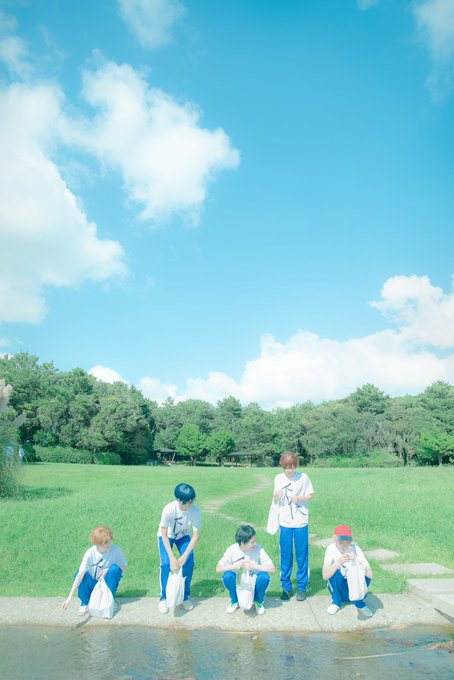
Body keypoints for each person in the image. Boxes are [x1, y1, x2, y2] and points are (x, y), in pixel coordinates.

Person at [272, 451, 314, 601]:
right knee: (285, 555)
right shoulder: (278, 478)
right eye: (287, 467)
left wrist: (300, 498)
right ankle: (286, 588)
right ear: (282, 467)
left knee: (302, 554)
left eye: (292, 467)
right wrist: (276, 495)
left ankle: (302, 588)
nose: (289, 470)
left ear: (296, 466)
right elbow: (275, 495)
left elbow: (310, 495)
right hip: (285, 522)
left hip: (301, 521)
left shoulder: (303, 477)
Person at [61, 525, 127, 615]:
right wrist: (69, 598)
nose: (109, 543)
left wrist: (108, 569)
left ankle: (110, 601)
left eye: (110, 540)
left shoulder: (115, 549)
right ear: (98, 544)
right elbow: (80, 574)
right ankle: (85, 603)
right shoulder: (90, 553)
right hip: (92, 583)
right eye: (106, 542)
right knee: (78, 573)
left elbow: (124, 566)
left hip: (106, 584)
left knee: (115, 569)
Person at [157, 482, 200, 614]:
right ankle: (163, 598)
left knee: (189, 561)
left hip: (183, 537)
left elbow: (195, 535)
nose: (190, 504)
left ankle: (185, 597)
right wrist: (172, 558)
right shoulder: (168, 509)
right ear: (179, 500)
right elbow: (164, 534)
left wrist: (184, 555)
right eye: (188, 502)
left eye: (192, 501)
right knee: (165, 564)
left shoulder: (195, 510)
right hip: (166, 537)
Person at [216, 524, 275, 615]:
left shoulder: (258, 549)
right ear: (242, 543)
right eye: (252, 542)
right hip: (238, 582)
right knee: (228, 575)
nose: (254, 544)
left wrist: (254, 566)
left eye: (255, 541)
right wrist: (234, 566)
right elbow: (218, 568)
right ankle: (234, 601)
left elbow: (272, 568)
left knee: (264, 577)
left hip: (253, 581)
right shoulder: (232, 549)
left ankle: (257, 601)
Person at [322, 524, 373, 617]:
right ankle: (336, 602)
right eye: (341, 542)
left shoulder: (356, 549)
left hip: (354, 590)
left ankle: (359, 603)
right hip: (340, 589)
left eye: (348, 541)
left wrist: (356, 561)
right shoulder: (331, 549)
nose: (345, 545)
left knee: (362, 570)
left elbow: (370, 575)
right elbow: (325, 575)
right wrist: (338, 562)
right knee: (334, 572)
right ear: (335, 539)